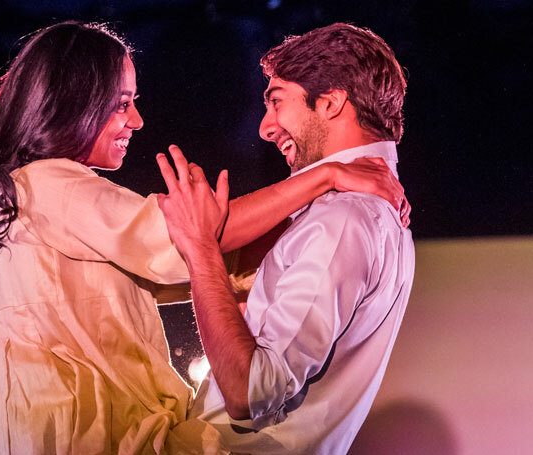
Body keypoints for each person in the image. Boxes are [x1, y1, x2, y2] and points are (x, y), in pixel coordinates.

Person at [0, 21, 408, 454]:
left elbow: (190, 257)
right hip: (78, 435)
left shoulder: (346, 219)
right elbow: (184, 244)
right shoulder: (46, 184)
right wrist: (323, 178)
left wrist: (299, 211)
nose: (138, 120)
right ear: (73, 101)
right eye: (123, 102)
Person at [156, 23, 415, 454]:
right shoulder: (355, 210)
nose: (265, 127)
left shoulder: (344, 217)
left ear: (331, 103)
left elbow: (251, 392)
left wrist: (202, 251)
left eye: (276, 102)